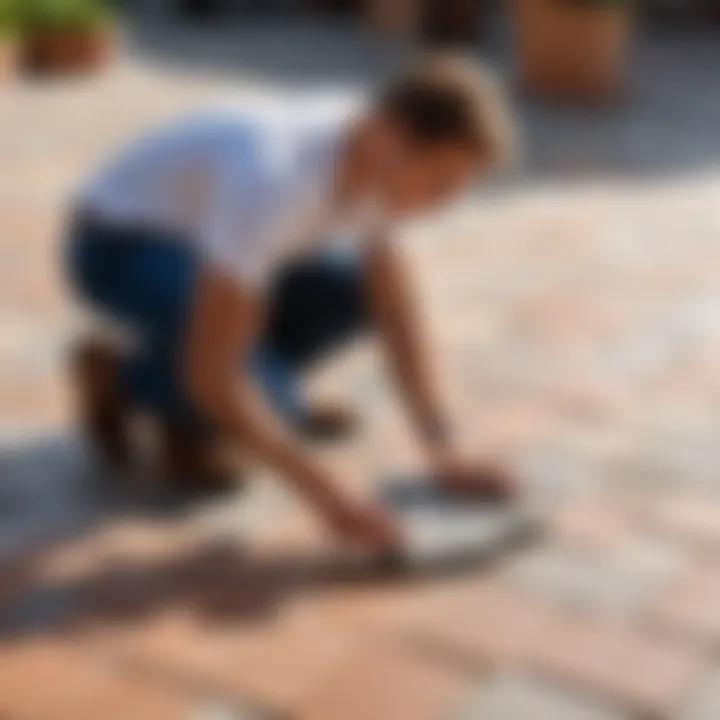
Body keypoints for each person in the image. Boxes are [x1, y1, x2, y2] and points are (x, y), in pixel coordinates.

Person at [66, 54, 520, 552]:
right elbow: (213, 373)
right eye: (440, 182)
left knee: (351, 291)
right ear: (394, 133)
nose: (442, 204)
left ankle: (225, 405)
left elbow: (396, 306)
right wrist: (327, 494)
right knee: (254, 388)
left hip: (214, 246)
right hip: (117, 245)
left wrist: (443, 448)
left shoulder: (374, 151)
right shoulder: (273, 179)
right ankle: (126, 379)